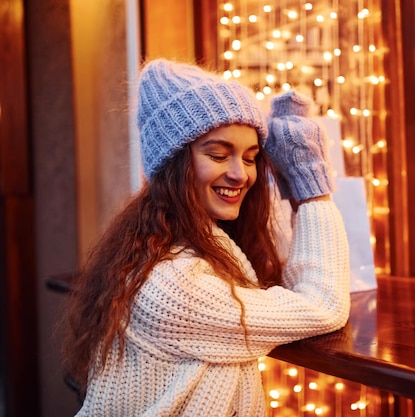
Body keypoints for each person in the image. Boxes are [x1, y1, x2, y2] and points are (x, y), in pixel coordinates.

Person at [61, 58, 351, 416]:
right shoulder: (173, 283)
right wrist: (311, 184)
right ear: (174, 163)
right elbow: (322, 306)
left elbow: (288, 289)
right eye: (217, 154)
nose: (240, 175)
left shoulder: (189, 243)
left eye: (251, 158)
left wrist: (287, 182)